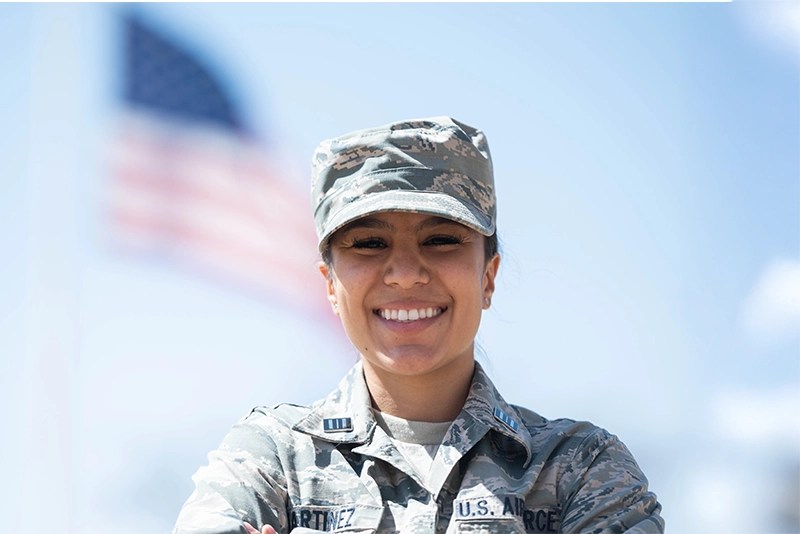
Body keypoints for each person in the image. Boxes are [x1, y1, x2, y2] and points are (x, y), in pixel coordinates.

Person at [173, 116, 665, 534]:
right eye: (368, 243)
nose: (406, 274)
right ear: (329, 283)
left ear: (488, 277)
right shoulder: (271, 459)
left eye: (441, 240)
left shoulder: (580, 469)